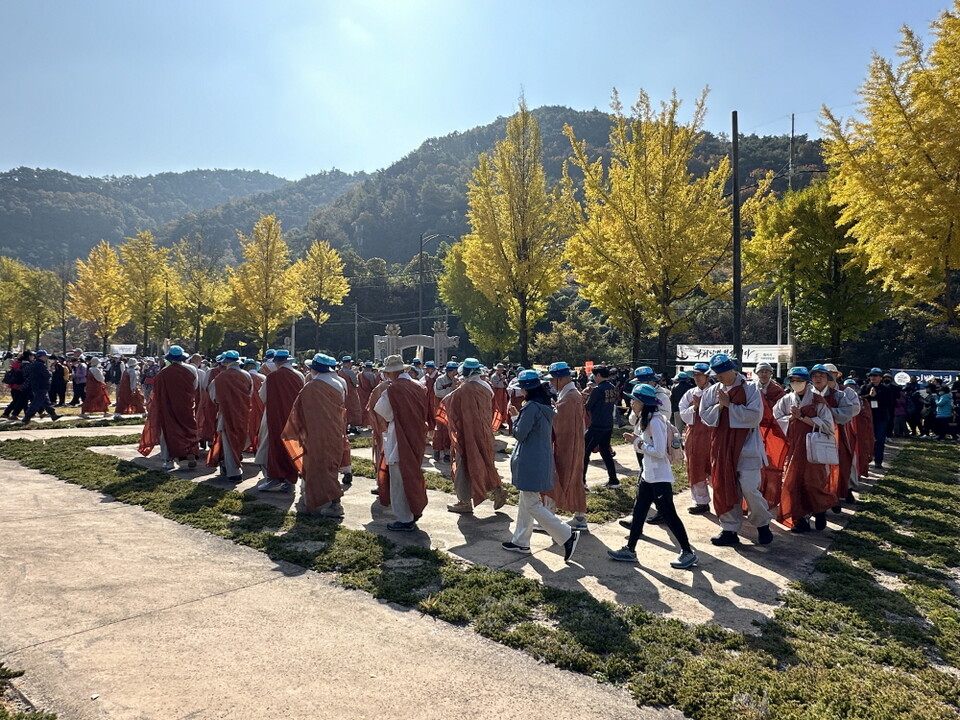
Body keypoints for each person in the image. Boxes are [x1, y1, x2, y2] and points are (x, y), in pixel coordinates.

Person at [607, 384, 698, 569]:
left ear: (643, 402)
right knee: (639, 511)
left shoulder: (656, 421)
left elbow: (658, 451)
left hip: (659, 477)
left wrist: (637, 442)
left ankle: (687, 551)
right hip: (648, 475)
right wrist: (638, 441)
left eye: (634, 399)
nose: (631, 402)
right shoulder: (646, 419)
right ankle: (630, 549)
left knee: (669, 514)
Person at [502, 370, 581, 561]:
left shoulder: (531, 407)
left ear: (527, 388)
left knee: (532, 504)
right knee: (526, 501)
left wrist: (514, 417)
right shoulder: (545, 405)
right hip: (538, 459)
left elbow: (520, 433)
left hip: (530, 460)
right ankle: (521, 541)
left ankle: (566, 534)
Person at [699, 353, 773, 546]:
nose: (719, 376)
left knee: (750, 488)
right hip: (721, 447)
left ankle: (762, 523)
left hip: (747, 446)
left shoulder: (751, 388)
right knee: (724, 487)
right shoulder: (713, 390)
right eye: (716, 373)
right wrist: (721, 407)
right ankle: (729, 529)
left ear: (733, 369)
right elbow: (705, 415)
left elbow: (755, 416)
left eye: (723, 372)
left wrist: (729, 406)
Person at [282, 354, 351, 518]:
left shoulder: (312, 387)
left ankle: (332, 503)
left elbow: (299, 411)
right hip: (335, 431)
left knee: (317, 466)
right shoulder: (338, 384)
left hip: (316, 432)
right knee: (330, 466)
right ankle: (326, 501)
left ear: (313, 369)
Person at [774, 367, 837, 532]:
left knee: (812, 483)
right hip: (794, 448)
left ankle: (820, 509)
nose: (796, 383)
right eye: (793, 380)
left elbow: (829, 426)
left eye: (799, 380)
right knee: (792, 483)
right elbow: (776, 419)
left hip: (812, 449)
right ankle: (800, 520)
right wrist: (791, 419)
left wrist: (803, 418)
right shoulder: (786, 399)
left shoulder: (818, 402)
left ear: (807, 382)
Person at [371, 354, 429, 531]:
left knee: (399, 478)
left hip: (400, 436)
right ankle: (415, 506)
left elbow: (385, 413)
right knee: (413, 472)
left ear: (390, 373)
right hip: (417, 434)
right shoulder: (419, 386)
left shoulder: (392, 390)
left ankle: (405, 518)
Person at [444, 358, 509, 514]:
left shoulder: (464, 389)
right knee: (485, 462)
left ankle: (464, 501)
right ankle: (498, 489)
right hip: (484, 432)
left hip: (468, 432)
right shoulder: (486, 387)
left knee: (463, 465)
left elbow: (447, 403)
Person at [137, 345, 200, 470]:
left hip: (168, 406)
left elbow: (157, 391)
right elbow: (195, 387)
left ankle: (168, 460)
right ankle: (190, 453)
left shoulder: (163, 373)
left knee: (168, 432)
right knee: (188, 429)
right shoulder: (191, 370)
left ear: (169, 358)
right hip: (186, 405)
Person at [255, 349, 307, 493]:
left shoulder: (272, 377)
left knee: (276, 446)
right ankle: (290, 480)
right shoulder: (300, 376)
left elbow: (263, 397)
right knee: (291, 446)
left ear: (277, 362)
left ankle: (276, 477)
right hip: (294, 417)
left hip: (276, 415)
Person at [545, 362, 588, 532]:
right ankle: (579, 517)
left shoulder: (570, 397)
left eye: (553, 379)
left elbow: (559, 421)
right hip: (572, 444)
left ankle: (548, 519)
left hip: (567, 446)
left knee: (557, 478)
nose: (551, 383)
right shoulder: (571, 394)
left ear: (561, 378)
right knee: (573, 479)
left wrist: (550, 412)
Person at [814, 364, 858, 509]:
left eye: (829, 373)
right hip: (814, 435)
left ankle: (843, 492)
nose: (822, 377)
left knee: (842, 464)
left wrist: (826, 413)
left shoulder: (845, 393)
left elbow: (852, 410)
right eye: (818, 375)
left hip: (839, 432)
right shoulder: (809, 392)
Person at [206, 351, 252, 483]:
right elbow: (250, 392)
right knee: (239, 439)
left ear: (226, 362)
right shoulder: (246, 376)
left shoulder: (220, 377)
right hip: (242, 412)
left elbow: (213, 395)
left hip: (226, 413)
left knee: (228, 441)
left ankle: (234, 472)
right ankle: (233, 465)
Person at [677, 362, 713, 514]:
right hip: (695, 435)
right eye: (695, 375)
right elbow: (683, 411)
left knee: (715, 468)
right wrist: (695, 408)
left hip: (712, 434)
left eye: (700, 375)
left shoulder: (715, 391)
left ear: (708, 376)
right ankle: (701, 501)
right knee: (695, 466)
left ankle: (723, 501)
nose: (697, 378)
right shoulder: (690, 393)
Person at [755, 362, 787, 508]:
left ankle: (771, 494)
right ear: (757, 373)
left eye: (767, 372)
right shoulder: (752, 388)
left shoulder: (777, 390)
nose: (764, 374)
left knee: (772, 462)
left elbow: (780, 409)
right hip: (756, 427)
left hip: (772, 429)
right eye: (761, 371)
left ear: (771, 374)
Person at [582, 366, 620, 489]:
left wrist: (586, 398)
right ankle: (613, 480)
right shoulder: (613, 388)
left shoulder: (597, 390)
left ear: (598, 375)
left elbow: (588, 407)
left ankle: (581, 481)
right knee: (605, 452)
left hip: (596, 425)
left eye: (593, 375)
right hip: (608, 424)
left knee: (585, 451)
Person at [860, 368, 895, 468]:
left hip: (881, 418)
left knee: (879, 440)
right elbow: (859, 399)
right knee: (865, 440)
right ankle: (865, 460)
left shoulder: (886, 389)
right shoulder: (865, 387)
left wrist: (877, 396)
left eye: (875, 376)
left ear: (880, 378)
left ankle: (878, 461)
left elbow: (890, 403)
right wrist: (870, 396)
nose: (873, 378)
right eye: (871, 376)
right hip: (867, 418)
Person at [20, 350, 61, 424]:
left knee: (46, 402)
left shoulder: (34, 364)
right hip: (41, 386)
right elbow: (46, 375)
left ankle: (53, 415)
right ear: (42, 356)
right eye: (45, 356)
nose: (46, 357)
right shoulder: (40, 365)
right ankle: (26, 418)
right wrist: (51, 372)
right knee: (36, 403)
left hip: (37, 386)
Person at [431, 361, 458, 462]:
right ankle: (437, 450)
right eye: (453, 370)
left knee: (449, 429)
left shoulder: (456, 379)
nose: (454, 372)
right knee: (439, 429)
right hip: (440, 407)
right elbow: (438, 393)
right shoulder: (440, 380)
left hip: (451, 408)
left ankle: (447, 453)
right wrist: (451, 389)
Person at [2, 351, 32, 421]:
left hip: (14, 384)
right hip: (20, 385)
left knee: (21, 400)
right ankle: (10, 413)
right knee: (19, 401)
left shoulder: (15, 363)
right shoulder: (23, 364)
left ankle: (25, 414)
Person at [243, 358, 265, 454]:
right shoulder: (263, 377)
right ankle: (257, 446)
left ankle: (246, 446)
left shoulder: (244, 377)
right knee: (259, 428)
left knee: (247, 427)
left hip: (247, 406)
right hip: (261, 407)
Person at [337, 356, 364, 432]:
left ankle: (345, 427)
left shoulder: (340, 372)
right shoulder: (350, 372)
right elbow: (355, 382)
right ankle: (353, 426)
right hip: (351, 393)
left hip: (343, 393)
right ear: (348, 363)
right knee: (354, 409)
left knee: (345, 409)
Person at [489, 363, 509, 431]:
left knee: (503, 407)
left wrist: (504, 381)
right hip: (497, 393)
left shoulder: (502, 375)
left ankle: (501, 422)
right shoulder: (494, 376)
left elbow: (506, 384)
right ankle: (496, 422)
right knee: (497, 407)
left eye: (502, 370)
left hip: (502, 393)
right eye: (499, 370)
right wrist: (501, 380)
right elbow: (496, 385)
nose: (501, 371)